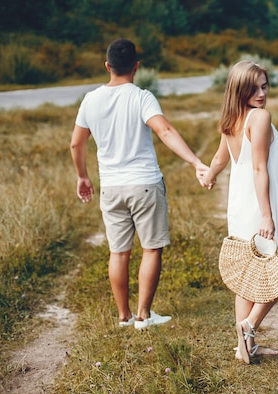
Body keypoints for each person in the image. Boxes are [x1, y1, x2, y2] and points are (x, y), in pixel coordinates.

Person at [70, 38, 209, 330]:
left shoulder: (90, 100)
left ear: (107, 66)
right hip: (144, 184)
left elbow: (76, 144)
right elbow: (165, 131)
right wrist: (196, 162)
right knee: (151, 249)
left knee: (118, 252)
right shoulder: (142, 97)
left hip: (110, 187)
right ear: (136, 67)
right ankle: (144, 316)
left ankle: (123, 317)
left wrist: (83, 176)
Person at [202, 61, 278, 363]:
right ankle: (248, 327)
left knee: (250, 275)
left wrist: (209, 175)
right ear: (239, 89)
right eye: (254, 87)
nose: (261, 93)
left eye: (264, 86)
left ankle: (243, 347)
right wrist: (267, 215)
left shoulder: (234, 119)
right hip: (263, 203)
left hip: (241, 203)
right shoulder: (259, 117)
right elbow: (260, 167)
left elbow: (221, 158)